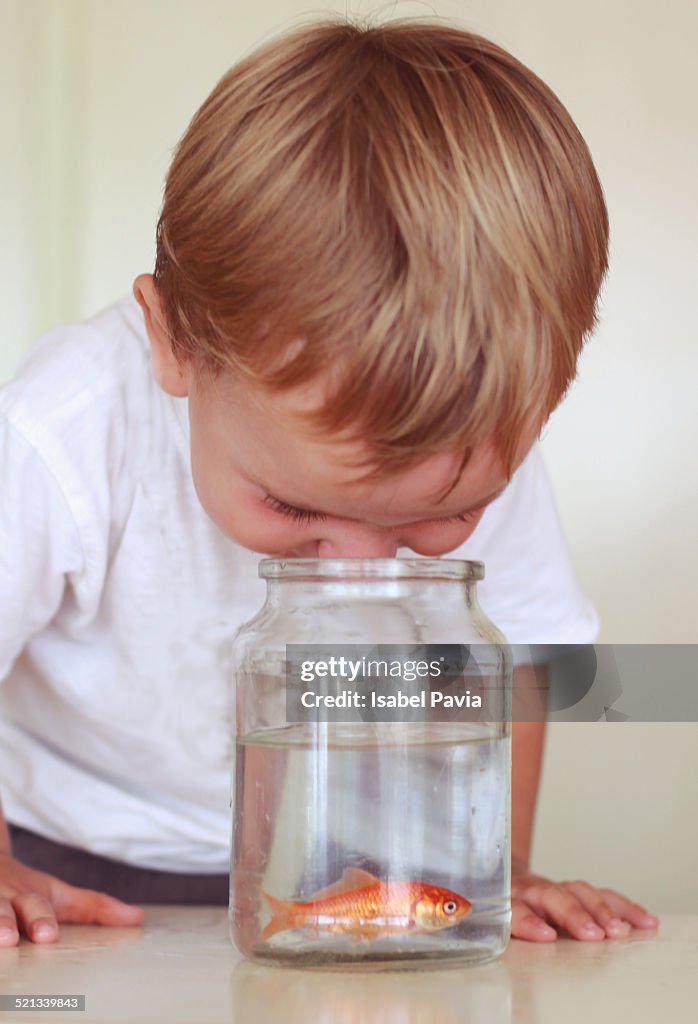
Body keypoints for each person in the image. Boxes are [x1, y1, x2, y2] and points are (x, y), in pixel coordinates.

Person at [0, 18, 657, 947]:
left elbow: (526, 656)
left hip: (350, 882)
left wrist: (496, 873)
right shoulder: (66, 427)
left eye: (440, 517)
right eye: (296, 505)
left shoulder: (469, 440)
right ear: (176, 344)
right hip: (64, 876)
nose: (355, 569)